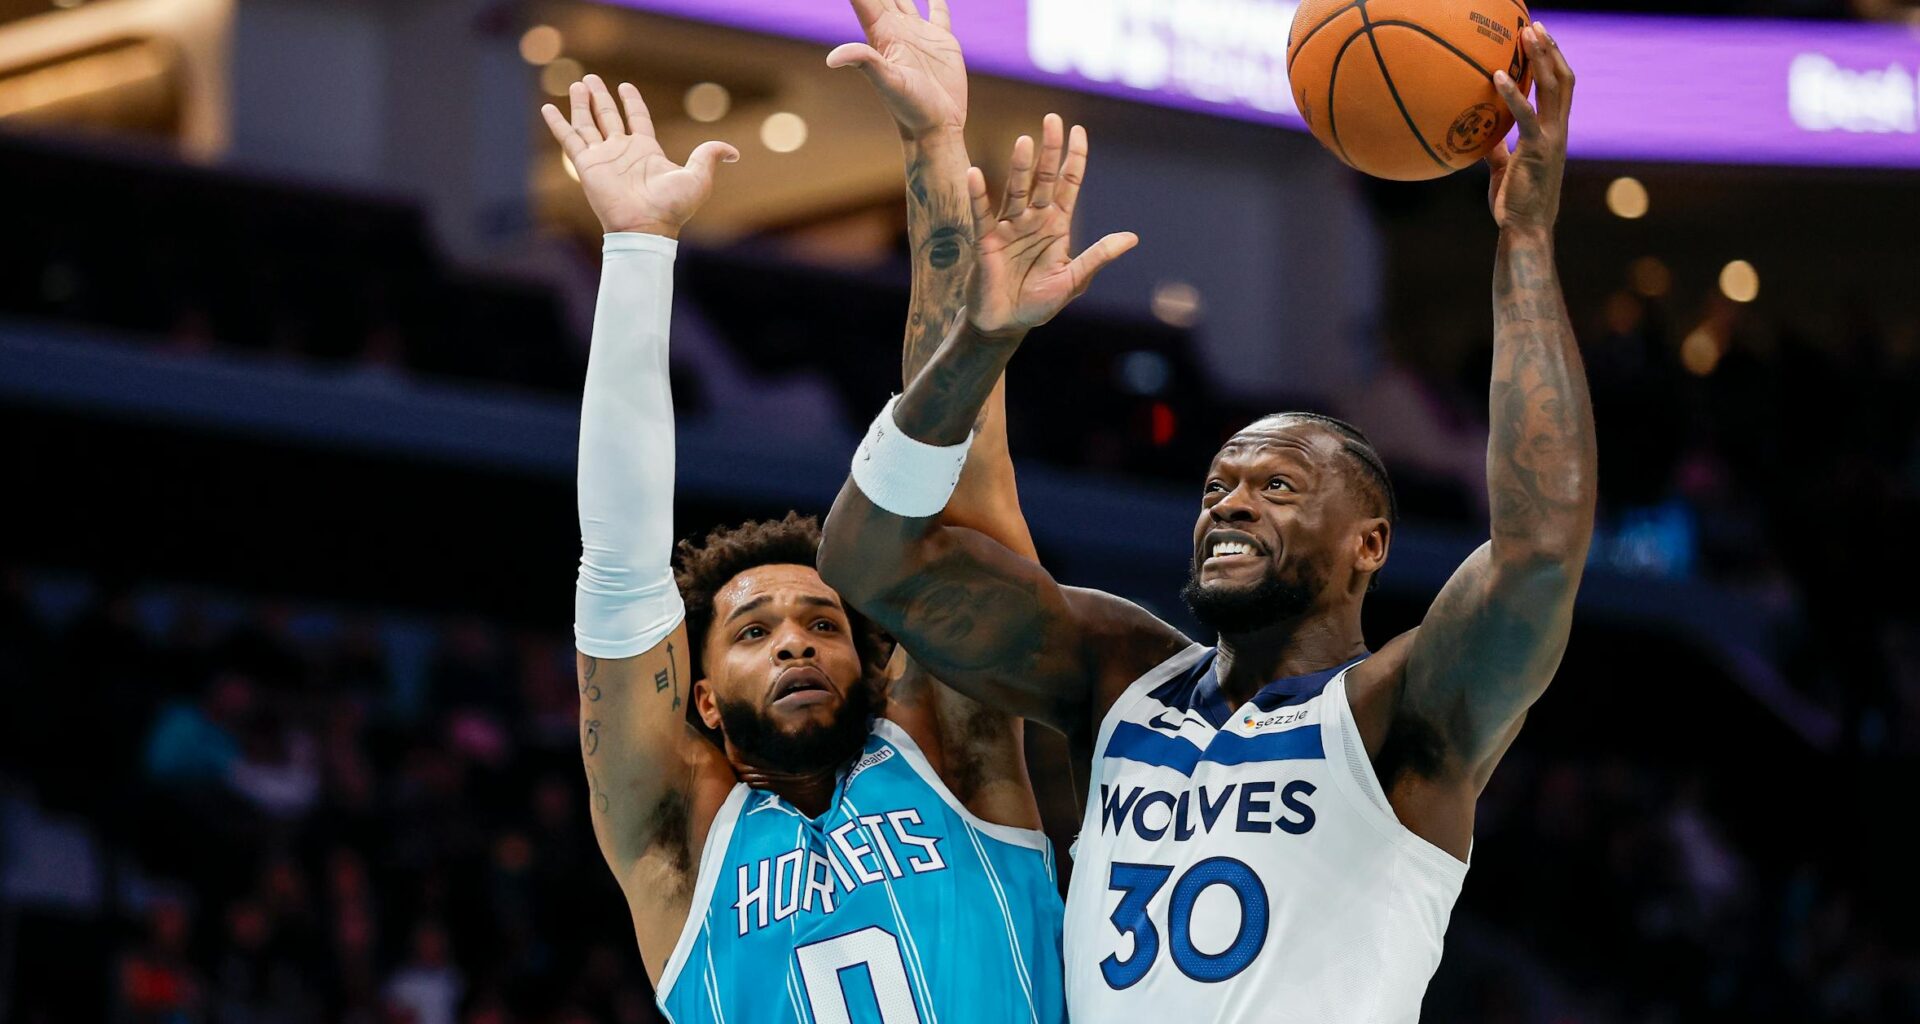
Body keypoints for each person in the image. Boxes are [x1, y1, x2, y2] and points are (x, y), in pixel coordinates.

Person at [817, 24, 1590, 1023]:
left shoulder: (1401, 713)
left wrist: (1525, 241)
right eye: (1218, 486)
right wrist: (977, 341)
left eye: (1278, 486)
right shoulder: (1121, 674)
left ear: (1369, 544)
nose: (1230, 501)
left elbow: (1538, 555)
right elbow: (870, 560)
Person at [547, 0, 1090, 1015]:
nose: (797, 640)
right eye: (754, 632)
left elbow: (958, 496)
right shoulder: (680, 840)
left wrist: (935, 148)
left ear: (871, 667)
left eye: (824, 623)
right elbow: (618, 570)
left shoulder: (954, 758)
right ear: (703, 700)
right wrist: (638, 250)